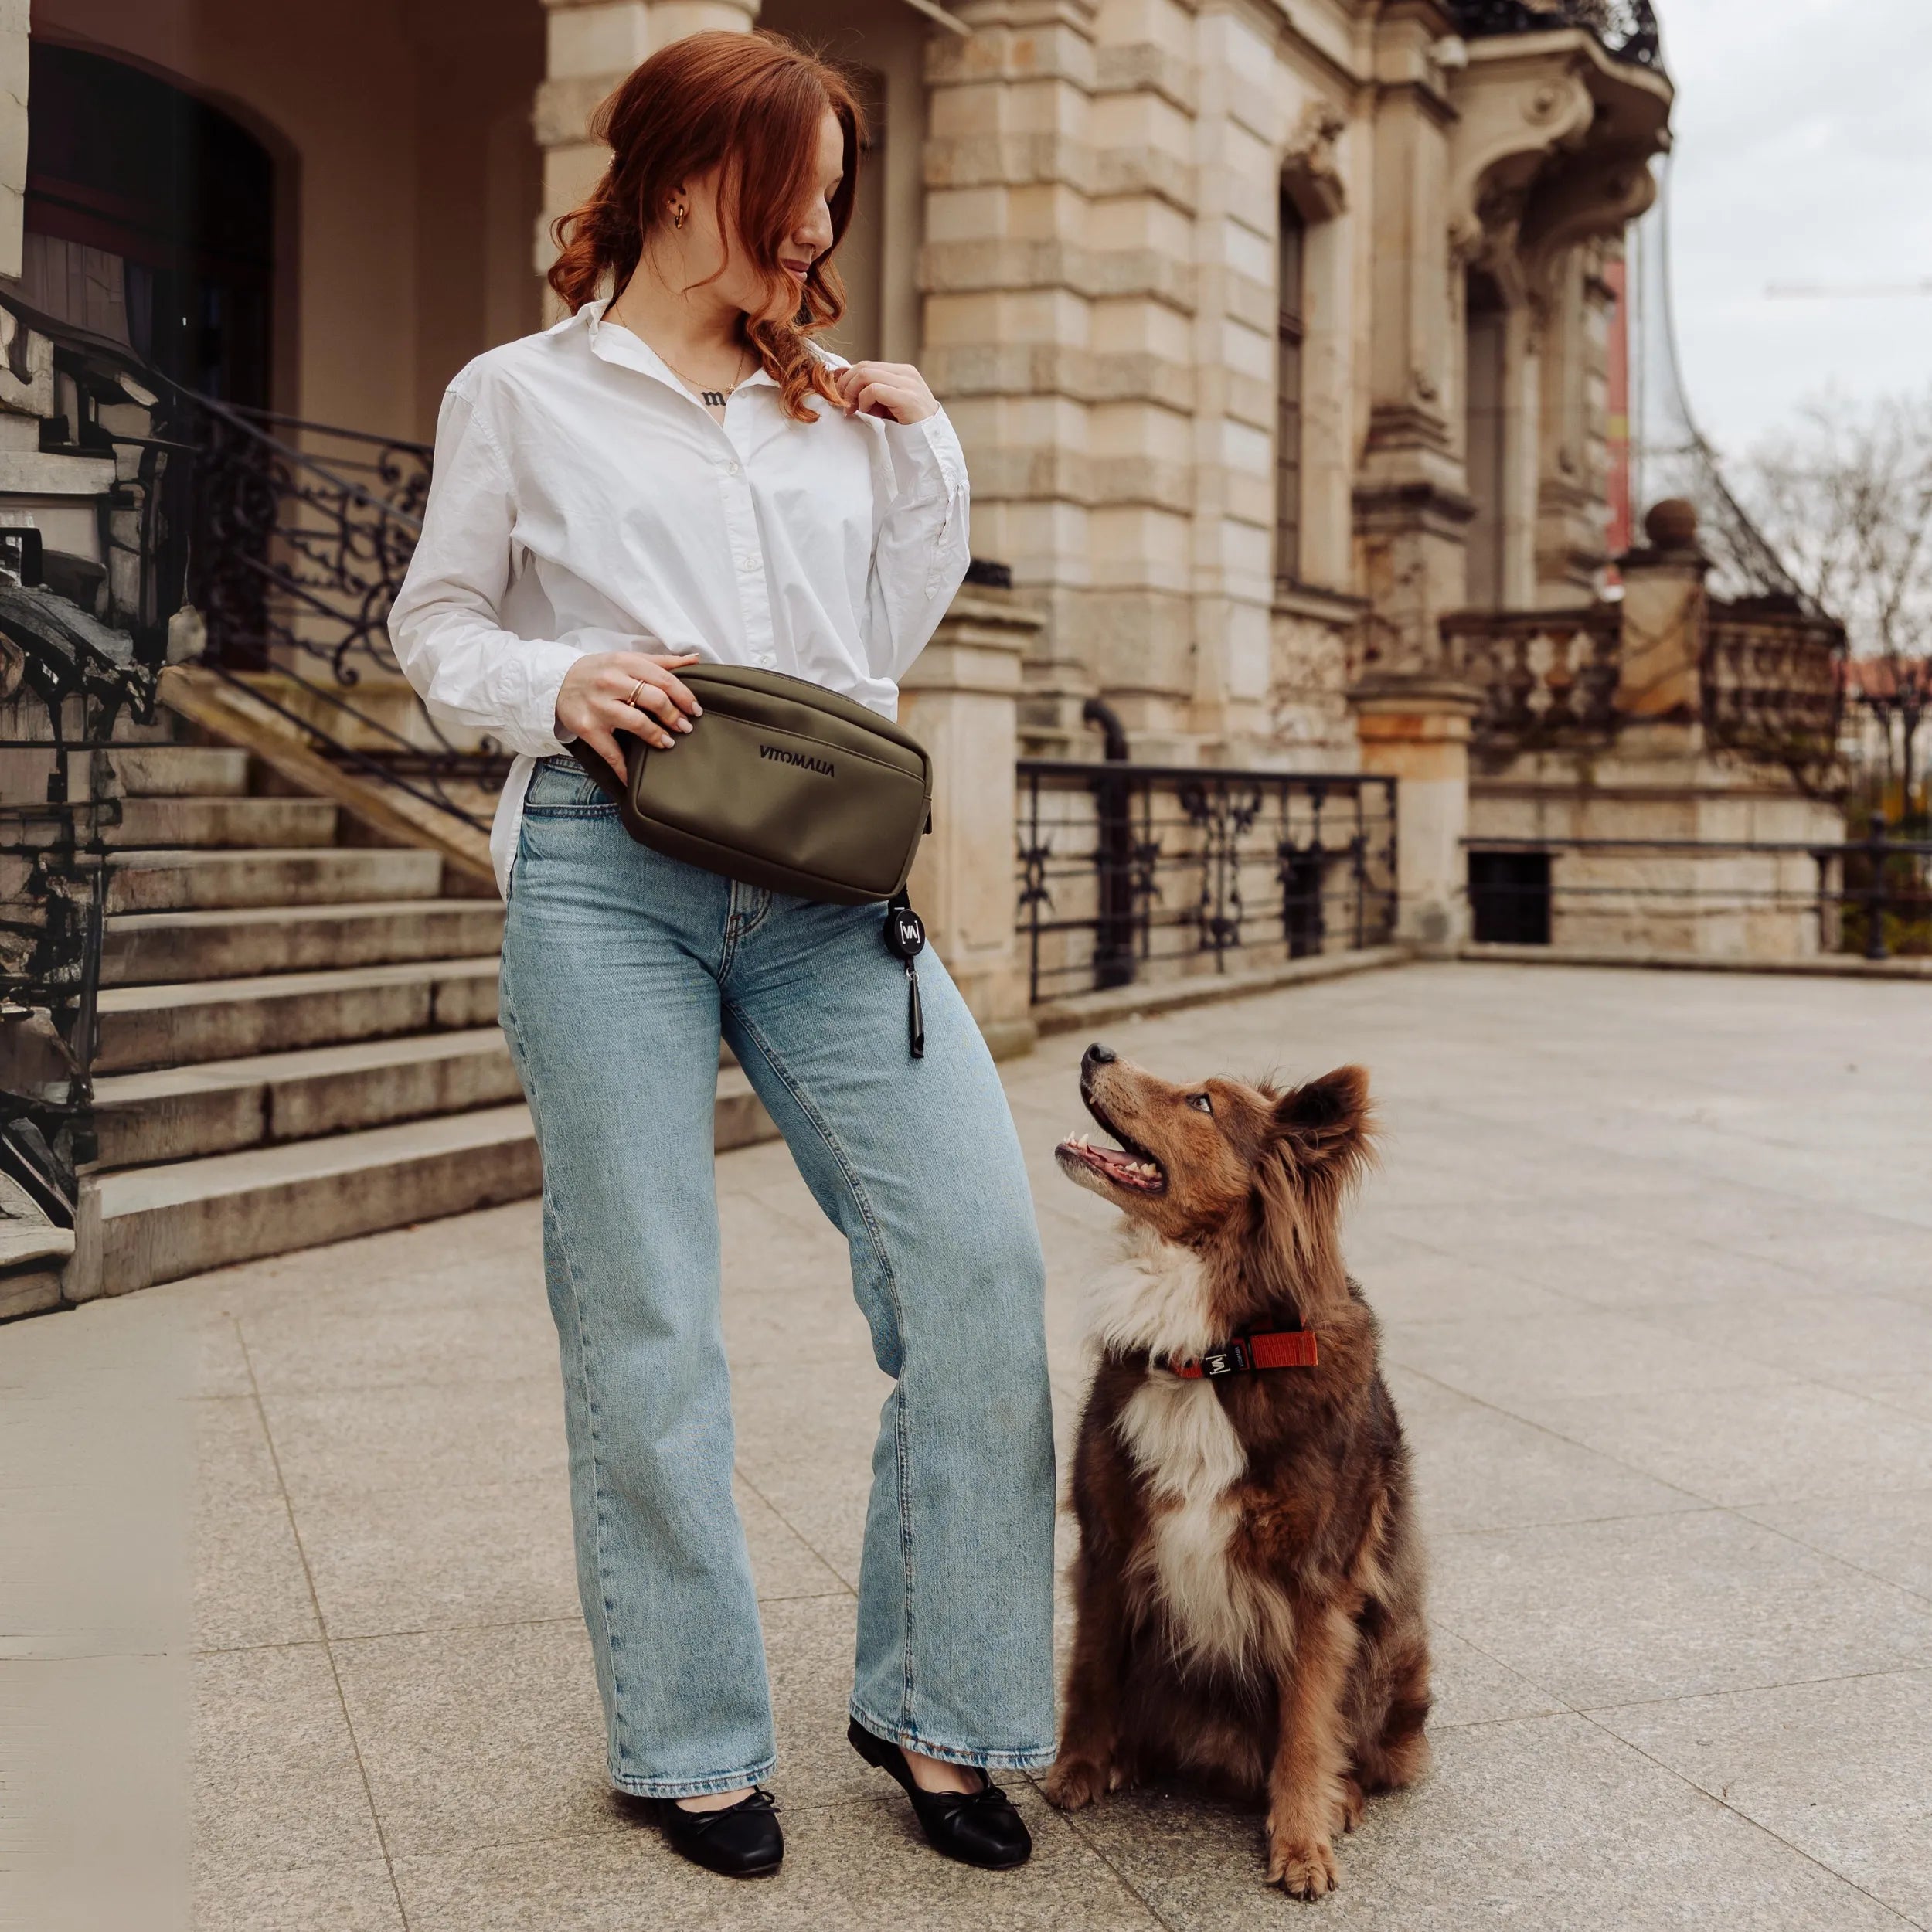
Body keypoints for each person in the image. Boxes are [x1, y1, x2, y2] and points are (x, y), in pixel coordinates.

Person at [387, 27, 1056, 1883]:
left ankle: (936, 1704)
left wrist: (922, 450)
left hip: (828, 888)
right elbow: (436, 625)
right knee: (647, 1310)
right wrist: (556, 677)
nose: (823, 227)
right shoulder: (518, 395)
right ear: (689, 178)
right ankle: (685, 1736)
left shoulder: (832, 408)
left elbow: (878, 643)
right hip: (607, 869)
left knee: (979, 1266)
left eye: (835, 196)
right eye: (801, 191)